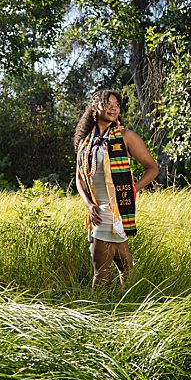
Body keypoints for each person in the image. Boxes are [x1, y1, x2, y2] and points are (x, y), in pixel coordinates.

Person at [73, 89, 158, 290]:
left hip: (118, 211)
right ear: (95, 107)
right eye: (108, 103)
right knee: (106, 275)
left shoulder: (125, 136)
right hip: (99, 213)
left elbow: (152, 168)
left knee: (125, 273)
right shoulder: (87, 142)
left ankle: (121, 311)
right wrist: (89, 204)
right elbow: (79, 178)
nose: (113, 108)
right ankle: (99, 314)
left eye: (117, 105)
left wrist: (132, 189)